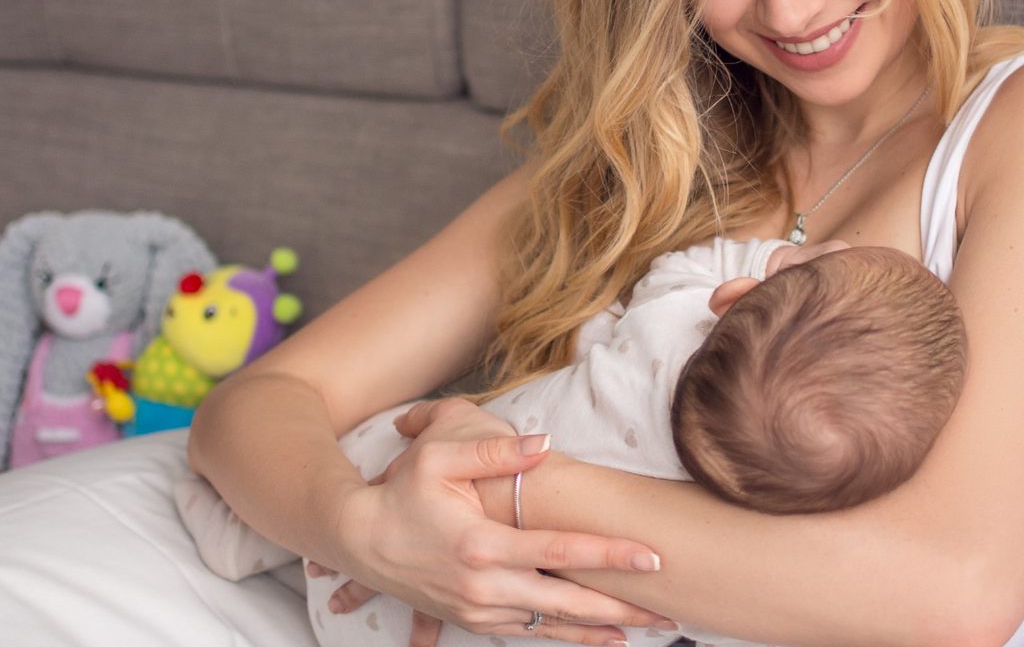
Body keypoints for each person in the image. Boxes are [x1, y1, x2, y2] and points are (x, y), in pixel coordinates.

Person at [188, 0, 1024, 646]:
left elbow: (958, 595)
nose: (794, 6)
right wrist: (367, 527)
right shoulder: (639, 170)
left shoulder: (1002, 132)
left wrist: (512, 496)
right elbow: (257, 405)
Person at [179, 239, 964, 647]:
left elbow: (683, 272)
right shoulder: (747, 547)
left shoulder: (671, 324)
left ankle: (238, 540)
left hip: (390, 501)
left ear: (736, 298)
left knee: (413, 431)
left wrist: (762, 260)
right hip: (435, 616)